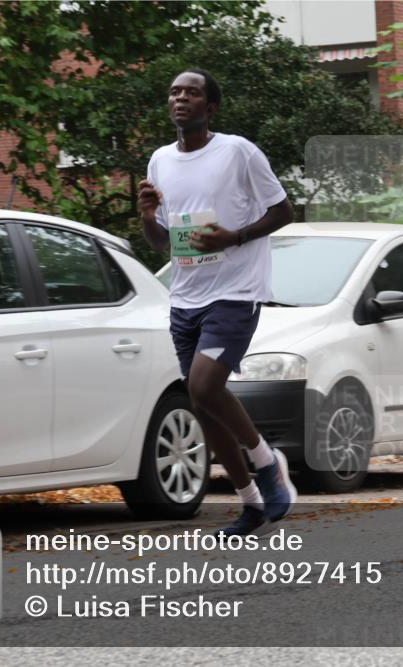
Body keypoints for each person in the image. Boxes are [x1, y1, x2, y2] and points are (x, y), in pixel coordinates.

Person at [138, 68, 296, 534]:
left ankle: (268, 466)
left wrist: (235, 236)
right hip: (185, 295)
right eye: (174, 92)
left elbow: (283, 211)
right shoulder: (160, 161)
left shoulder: (238, 151)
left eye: (192, 92)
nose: (180, 98)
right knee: (203, 405)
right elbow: (162, 242)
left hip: (235, 291)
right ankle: (250, 502)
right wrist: (147, 215)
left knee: (205, 387)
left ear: (210, 107)